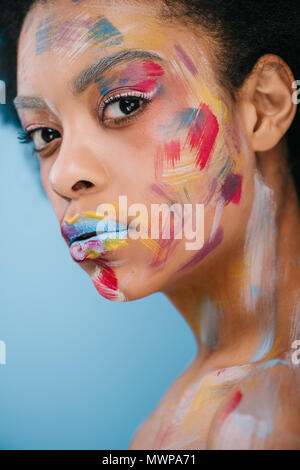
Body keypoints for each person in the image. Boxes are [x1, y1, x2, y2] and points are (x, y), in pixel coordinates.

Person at [1, 0, 300, 450]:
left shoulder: (264, 419)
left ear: (264, 105)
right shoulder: (198, 403)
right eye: (45, 134)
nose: (64, 174)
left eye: (124, 103)